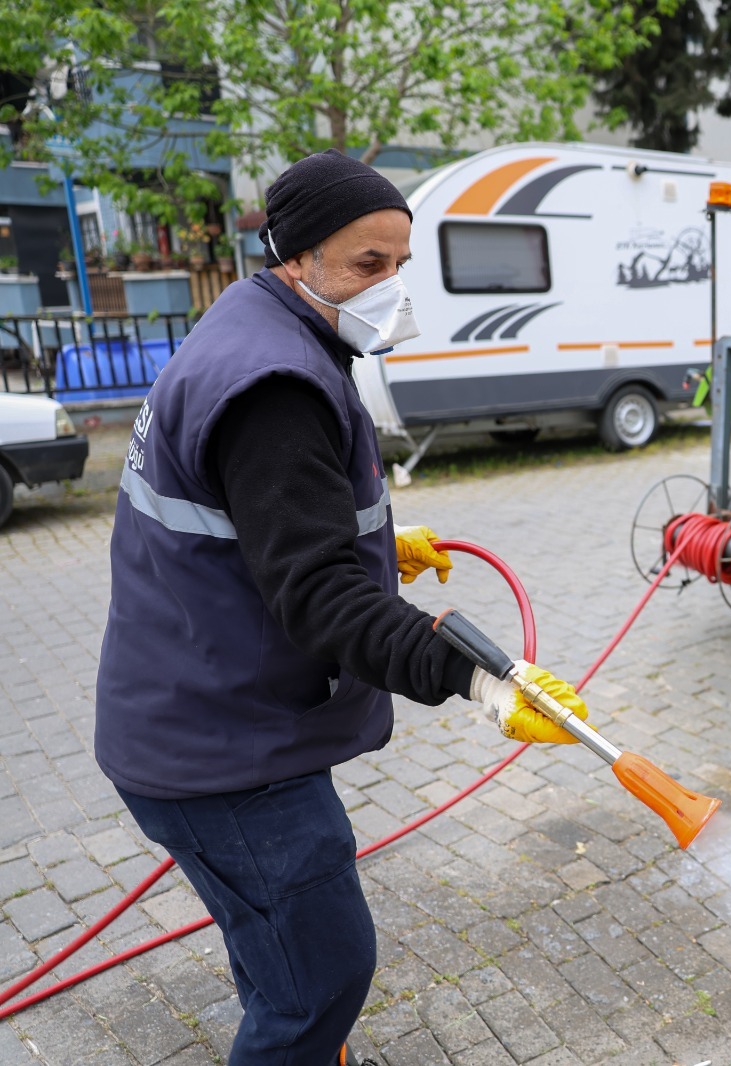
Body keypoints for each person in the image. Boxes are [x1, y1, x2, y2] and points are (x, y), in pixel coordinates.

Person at [95, 150, 586, 1066]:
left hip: (187, 713)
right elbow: (319, 598)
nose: (389, 287)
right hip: (224, 752)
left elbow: (258, 521)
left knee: (280, 950)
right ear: (296, 257)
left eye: (400, 265)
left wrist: (376, 544)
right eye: (368, 265)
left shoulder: (253, 329)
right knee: (324, 976)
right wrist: (479, 679)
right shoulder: (275, 384)